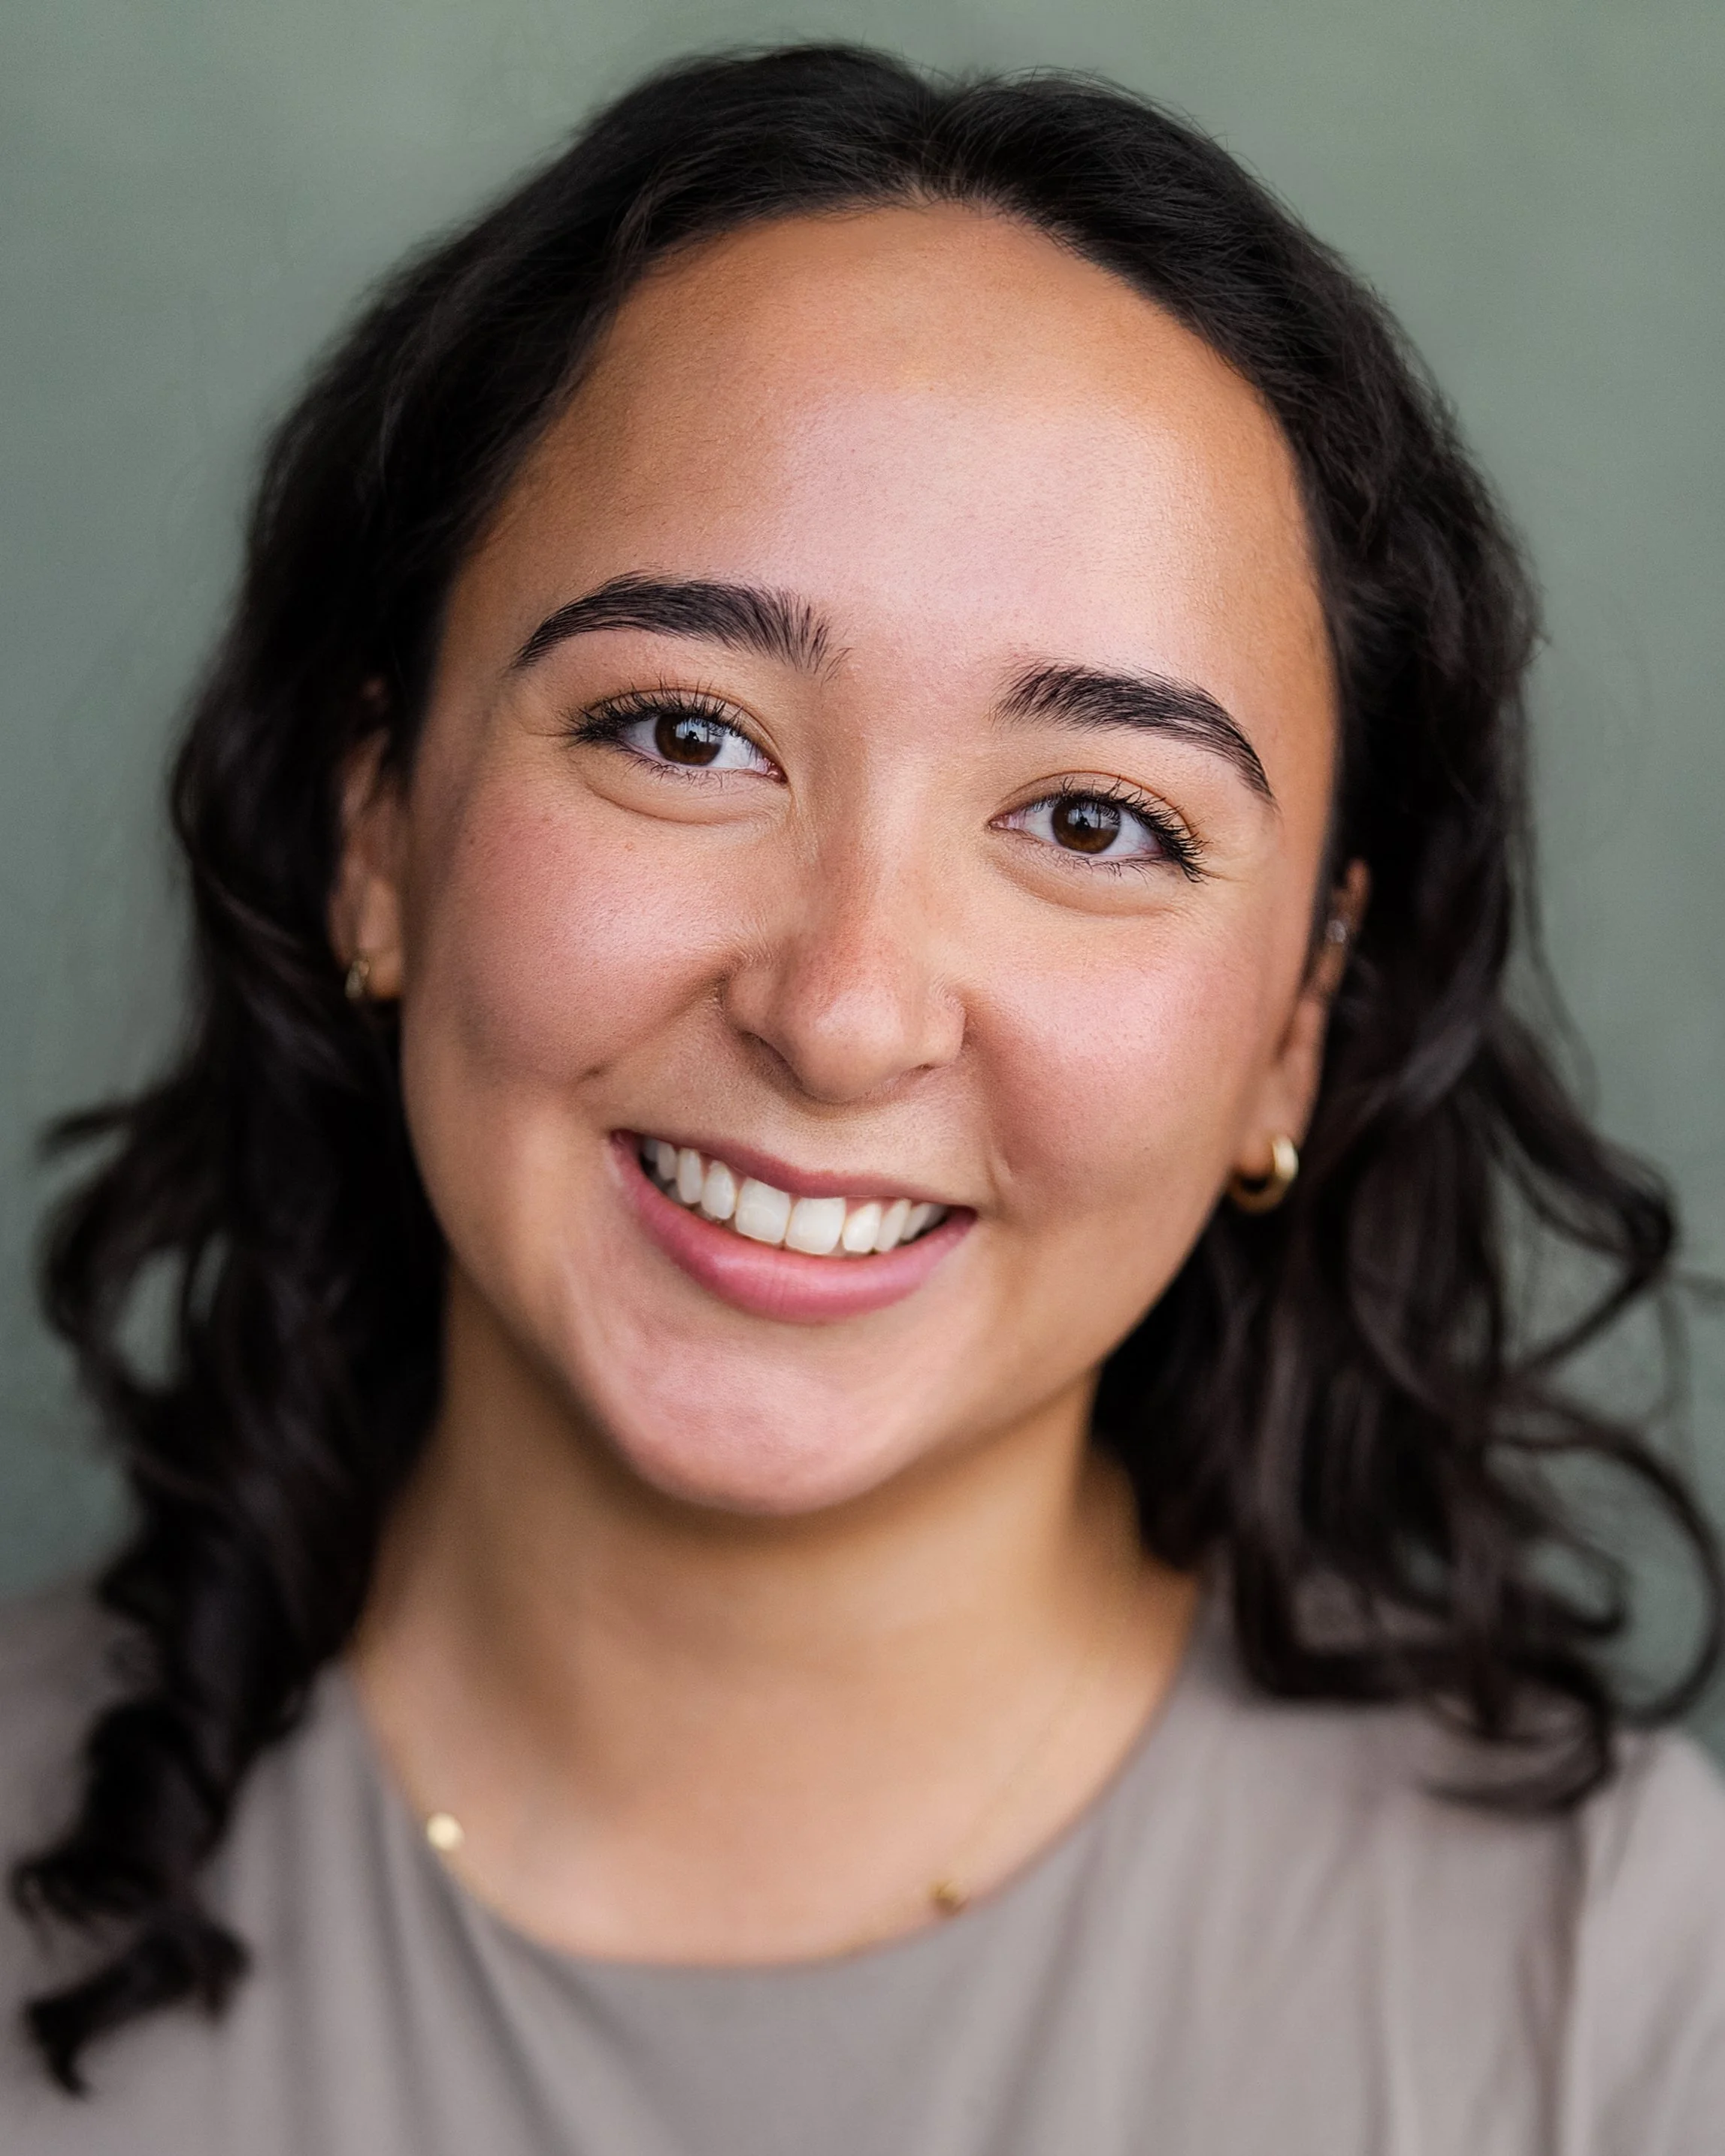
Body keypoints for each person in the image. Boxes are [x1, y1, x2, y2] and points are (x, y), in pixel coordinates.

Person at [2, 41, 1722, 2155]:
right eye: (683, 733)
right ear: (378, 830)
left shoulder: (1622, 2006)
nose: (839, 1011)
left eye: (1093, 819)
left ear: (1300, 1018)